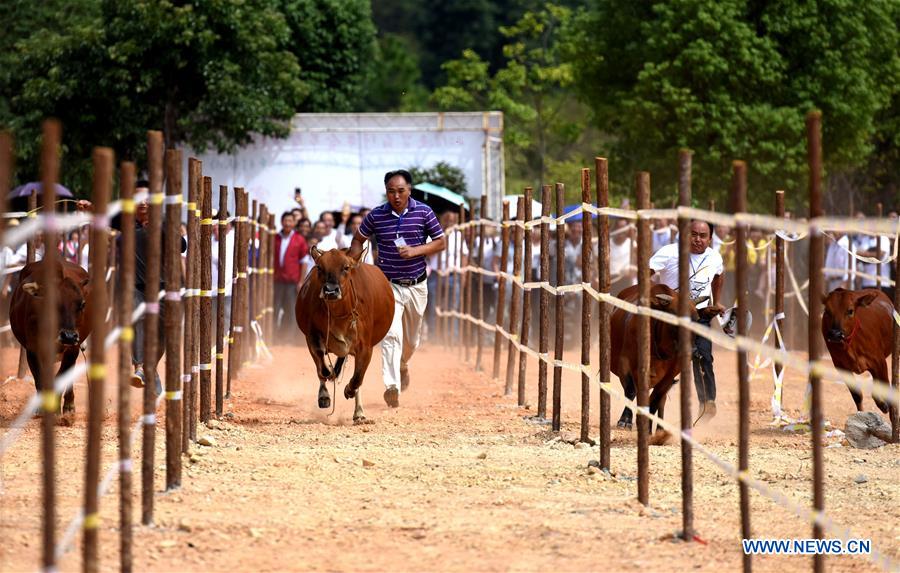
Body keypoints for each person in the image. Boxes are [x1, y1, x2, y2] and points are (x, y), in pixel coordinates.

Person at [348, 169, 446, 408]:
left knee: (411, 341)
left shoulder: (424, 212)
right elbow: (358, 239)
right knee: (391, 335)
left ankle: (403, 365)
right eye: (391, 191)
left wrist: (415, 251)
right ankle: (392, 386)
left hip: (417, 284)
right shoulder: (376, 215)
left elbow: (441, 242)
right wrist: (353, 263)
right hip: (387, 285)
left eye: (401, 191)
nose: (396, 196)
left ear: (409, 190)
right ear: (386, 192)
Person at [648, 220, 725, 422]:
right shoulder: (669, 252)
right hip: (669, 316)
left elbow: (719, 275)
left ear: (710, 239)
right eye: (693, 234)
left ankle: (707, 403)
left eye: (702, 236)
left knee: (703, 356)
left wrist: (716, 301)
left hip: (698, 315)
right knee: (664, 358)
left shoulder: (715, 257)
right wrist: (652, 294)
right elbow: (646, 272)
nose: (697, 239)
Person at [273, 211, 308, 336]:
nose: (287, 223)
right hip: (277, 281)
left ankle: (289, 338)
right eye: (285, 220)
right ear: (281, 222)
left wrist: (301, 281)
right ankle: (273, 337)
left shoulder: (299, 239)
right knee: (275, 309)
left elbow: (304, 261)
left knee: (291, 311)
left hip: (292, 282)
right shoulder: (275, 238)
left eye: (290, 221)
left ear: (294, 223)